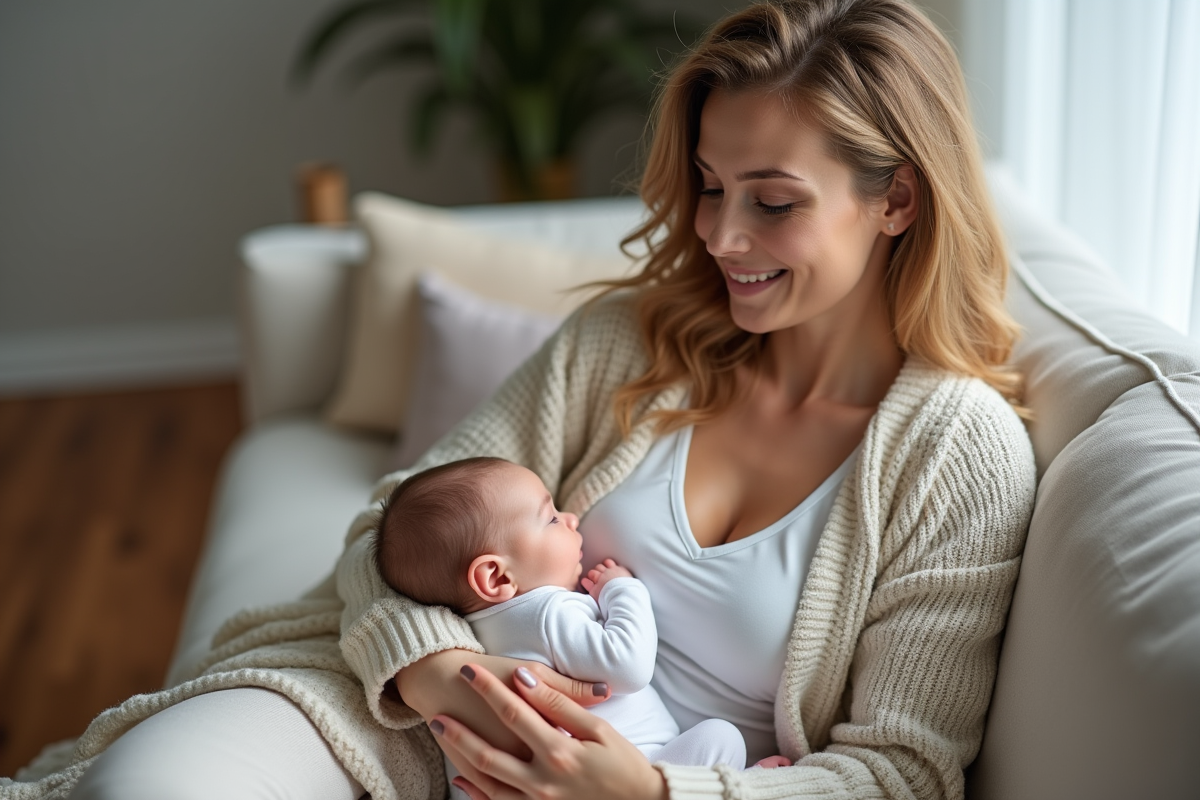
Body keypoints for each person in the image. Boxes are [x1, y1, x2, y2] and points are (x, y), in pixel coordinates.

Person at [27, 2, 1034, 799]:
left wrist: (647, 787)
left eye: (772, 202)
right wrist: (437, 673)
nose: (722, 237)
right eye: (709, 185)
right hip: (414, 725)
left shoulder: (957, 454)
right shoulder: (637, 338)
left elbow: (903, 771)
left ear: (896, 198)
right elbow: (395, 519)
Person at [373, 456, 787, 797]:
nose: (571, 518)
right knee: (722, 737)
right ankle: (745, 781)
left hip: (558, 785)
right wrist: (623, 590)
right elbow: (627, 667)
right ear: (497, 578)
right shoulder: (548, 611)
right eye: (550, 518)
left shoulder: (465, 632)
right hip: (634, 763)